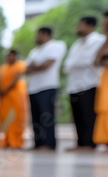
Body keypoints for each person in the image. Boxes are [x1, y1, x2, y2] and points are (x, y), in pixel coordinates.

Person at [63, 16, 106, 151]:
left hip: (90, 83)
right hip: (74, 84)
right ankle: (81, 143)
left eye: (81, 25)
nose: (78, 27)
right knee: (77, 115)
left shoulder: (99, 40)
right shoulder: (76, 44)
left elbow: (91, 60)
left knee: (88, 114)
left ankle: (89, 143)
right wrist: (76, 63)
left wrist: (75, 63)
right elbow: (67, 64)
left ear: (90, 26)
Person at [26, 27, 67, 151]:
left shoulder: (56, 45)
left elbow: (47, 64)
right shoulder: (34, 51)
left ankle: (49, 144)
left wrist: (34, 66)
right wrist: (35, 66)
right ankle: (38, 143)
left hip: (48, 86)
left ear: (44, 34)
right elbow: (26, 69)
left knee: (47, 115)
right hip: (33, 88)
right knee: (36, 117)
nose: (36, 38)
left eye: (37, 35)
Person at [0, 50, 28, 149]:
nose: (9, 58)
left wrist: (5, 89)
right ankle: (7, 141)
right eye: (8, 56)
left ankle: (16, 141)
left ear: (15, 56)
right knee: (5, 118)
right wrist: (0, 90)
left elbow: (16, 77)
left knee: (16, 118)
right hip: (5, 98)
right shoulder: (3, 67)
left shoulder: (20, 64)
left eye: (11, 56)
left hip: (16, 96)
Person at [93, 12, 108, 146]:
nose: (104, 26)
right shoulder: (104, 41)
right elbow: (97, 61)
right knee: (104, 107)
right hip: (105, 78)